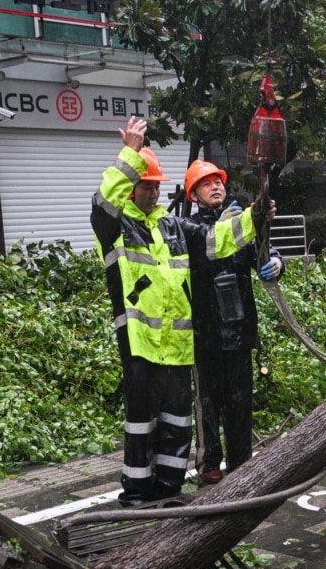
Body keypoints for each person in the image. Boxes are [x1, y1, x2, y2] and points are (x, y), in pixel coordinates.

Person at [91, 117, 273, 506]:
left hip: (177, 348)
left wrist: (255, 217)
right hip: (141, 347)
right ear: (132, 187)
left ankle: (169, 493)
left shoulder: (174, 227)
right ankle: (137, 497)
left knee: (177, 426)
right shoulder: (115, 227)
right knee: (142, 427)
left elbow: (217, 240)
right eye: (147, 185)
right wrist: (132, 155)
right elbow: (103, 200)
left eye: (157, 185)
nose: (154, 192)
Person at [183, 159, 284, 485]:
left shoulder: (243, 226)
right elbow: (211, 240)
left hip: (239, 330)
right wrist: (245, 221)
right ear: (193, 195)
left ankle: (241, 463)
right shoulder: (188, 230)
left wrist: (276, 264)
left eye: (218, 182)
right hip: (205, 333)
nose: (216, 186)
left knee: (240, 400)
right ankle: (210, 463)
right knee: (209, 402)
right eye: (206, 183)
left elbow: (267, 251)